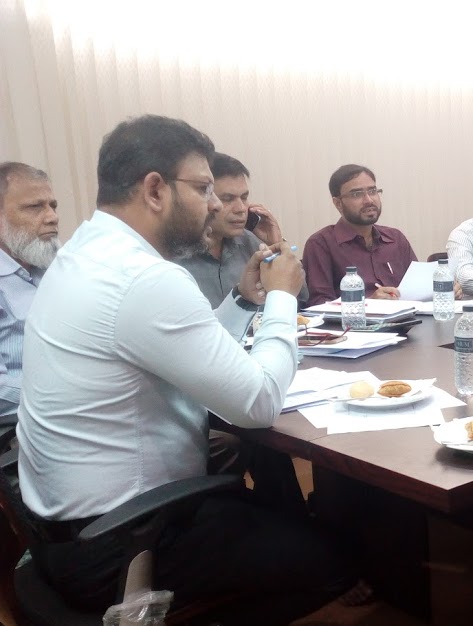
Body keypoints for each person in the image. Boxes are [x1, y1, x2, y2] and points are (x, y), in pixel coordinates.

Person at [16, 115, 355, 622]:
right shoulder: (144, 278)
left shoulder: (83, 254)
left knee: (279, 517)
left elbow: (188, 350)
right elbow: (259, 403)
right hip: (127, 544)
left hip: (63, 532)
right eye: (202, 188)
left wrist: (244, 301)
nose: (215, 204)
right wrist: (282, 297)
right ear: (155, 190)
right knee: (339, 558)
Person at [175, 152, 308, 307]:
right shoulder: (174, 254)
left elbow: (302, 301)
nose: (241, 209)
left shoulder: (250, 242)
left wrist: (276, 245)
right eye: (227, 199)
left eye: (244, 198)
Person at [303, 164, 416, 305]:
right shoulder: (321, 244)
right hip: (355, 319)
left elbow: (418, 287)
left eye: (372, 191)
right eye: (357, 194)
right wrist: (369, 304)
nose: (369, 200)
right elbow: (319, 304)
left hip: (408, 317)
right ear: (338, 203)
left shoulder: (395, 238)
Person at [0, 162, 59, 419]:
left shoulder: (59, 265)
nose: (52, 217)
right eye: (35, 207)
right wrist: (67, 395)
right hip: (27, 426)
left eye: (53, 206)